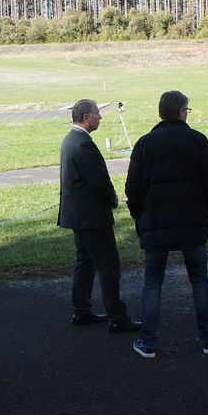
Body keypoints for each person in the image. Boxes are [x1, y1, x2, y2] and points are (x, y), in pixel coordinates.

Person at [125, 91, 208, 359]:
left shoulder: (145, 143)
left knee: (153, 283)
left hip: (155, 222)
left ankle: (148, 342)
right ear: (181, 112)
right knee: (200, 281)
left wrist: (138, 215)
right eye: (187, 110)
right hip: (192, 221)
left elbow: (133, 187)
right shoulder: (197, 140)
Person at [57, 99, 141, 333]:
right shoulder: (83, 144)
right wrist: (112, 198)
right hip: (91, 216)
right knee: (108, 265)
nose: (100, 117)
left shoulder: (70, 140)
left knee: (85, 262)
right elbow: (98, 181)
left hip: (78, 215)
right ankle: (117, 317)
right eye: (97, 113)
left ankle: (81, 311)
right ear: (85, 117)